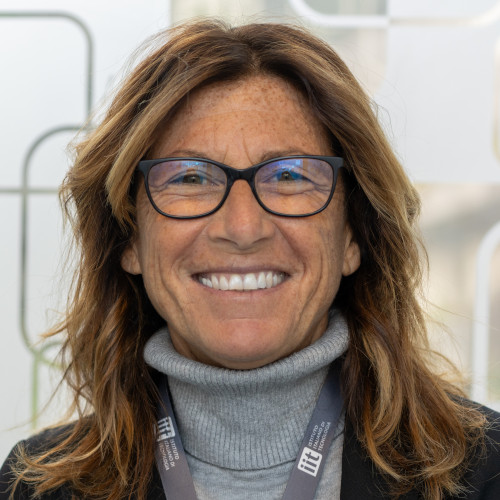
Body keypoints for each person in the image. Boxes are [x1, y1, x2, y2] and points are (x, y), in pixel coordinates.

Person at [1, 18, 499, 500]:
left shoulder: (485, 474)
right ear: (129, 236)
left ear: (352, 234)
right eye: (191, 178)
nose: (242, 228)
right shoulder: (36, 490)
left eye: (288, 176)